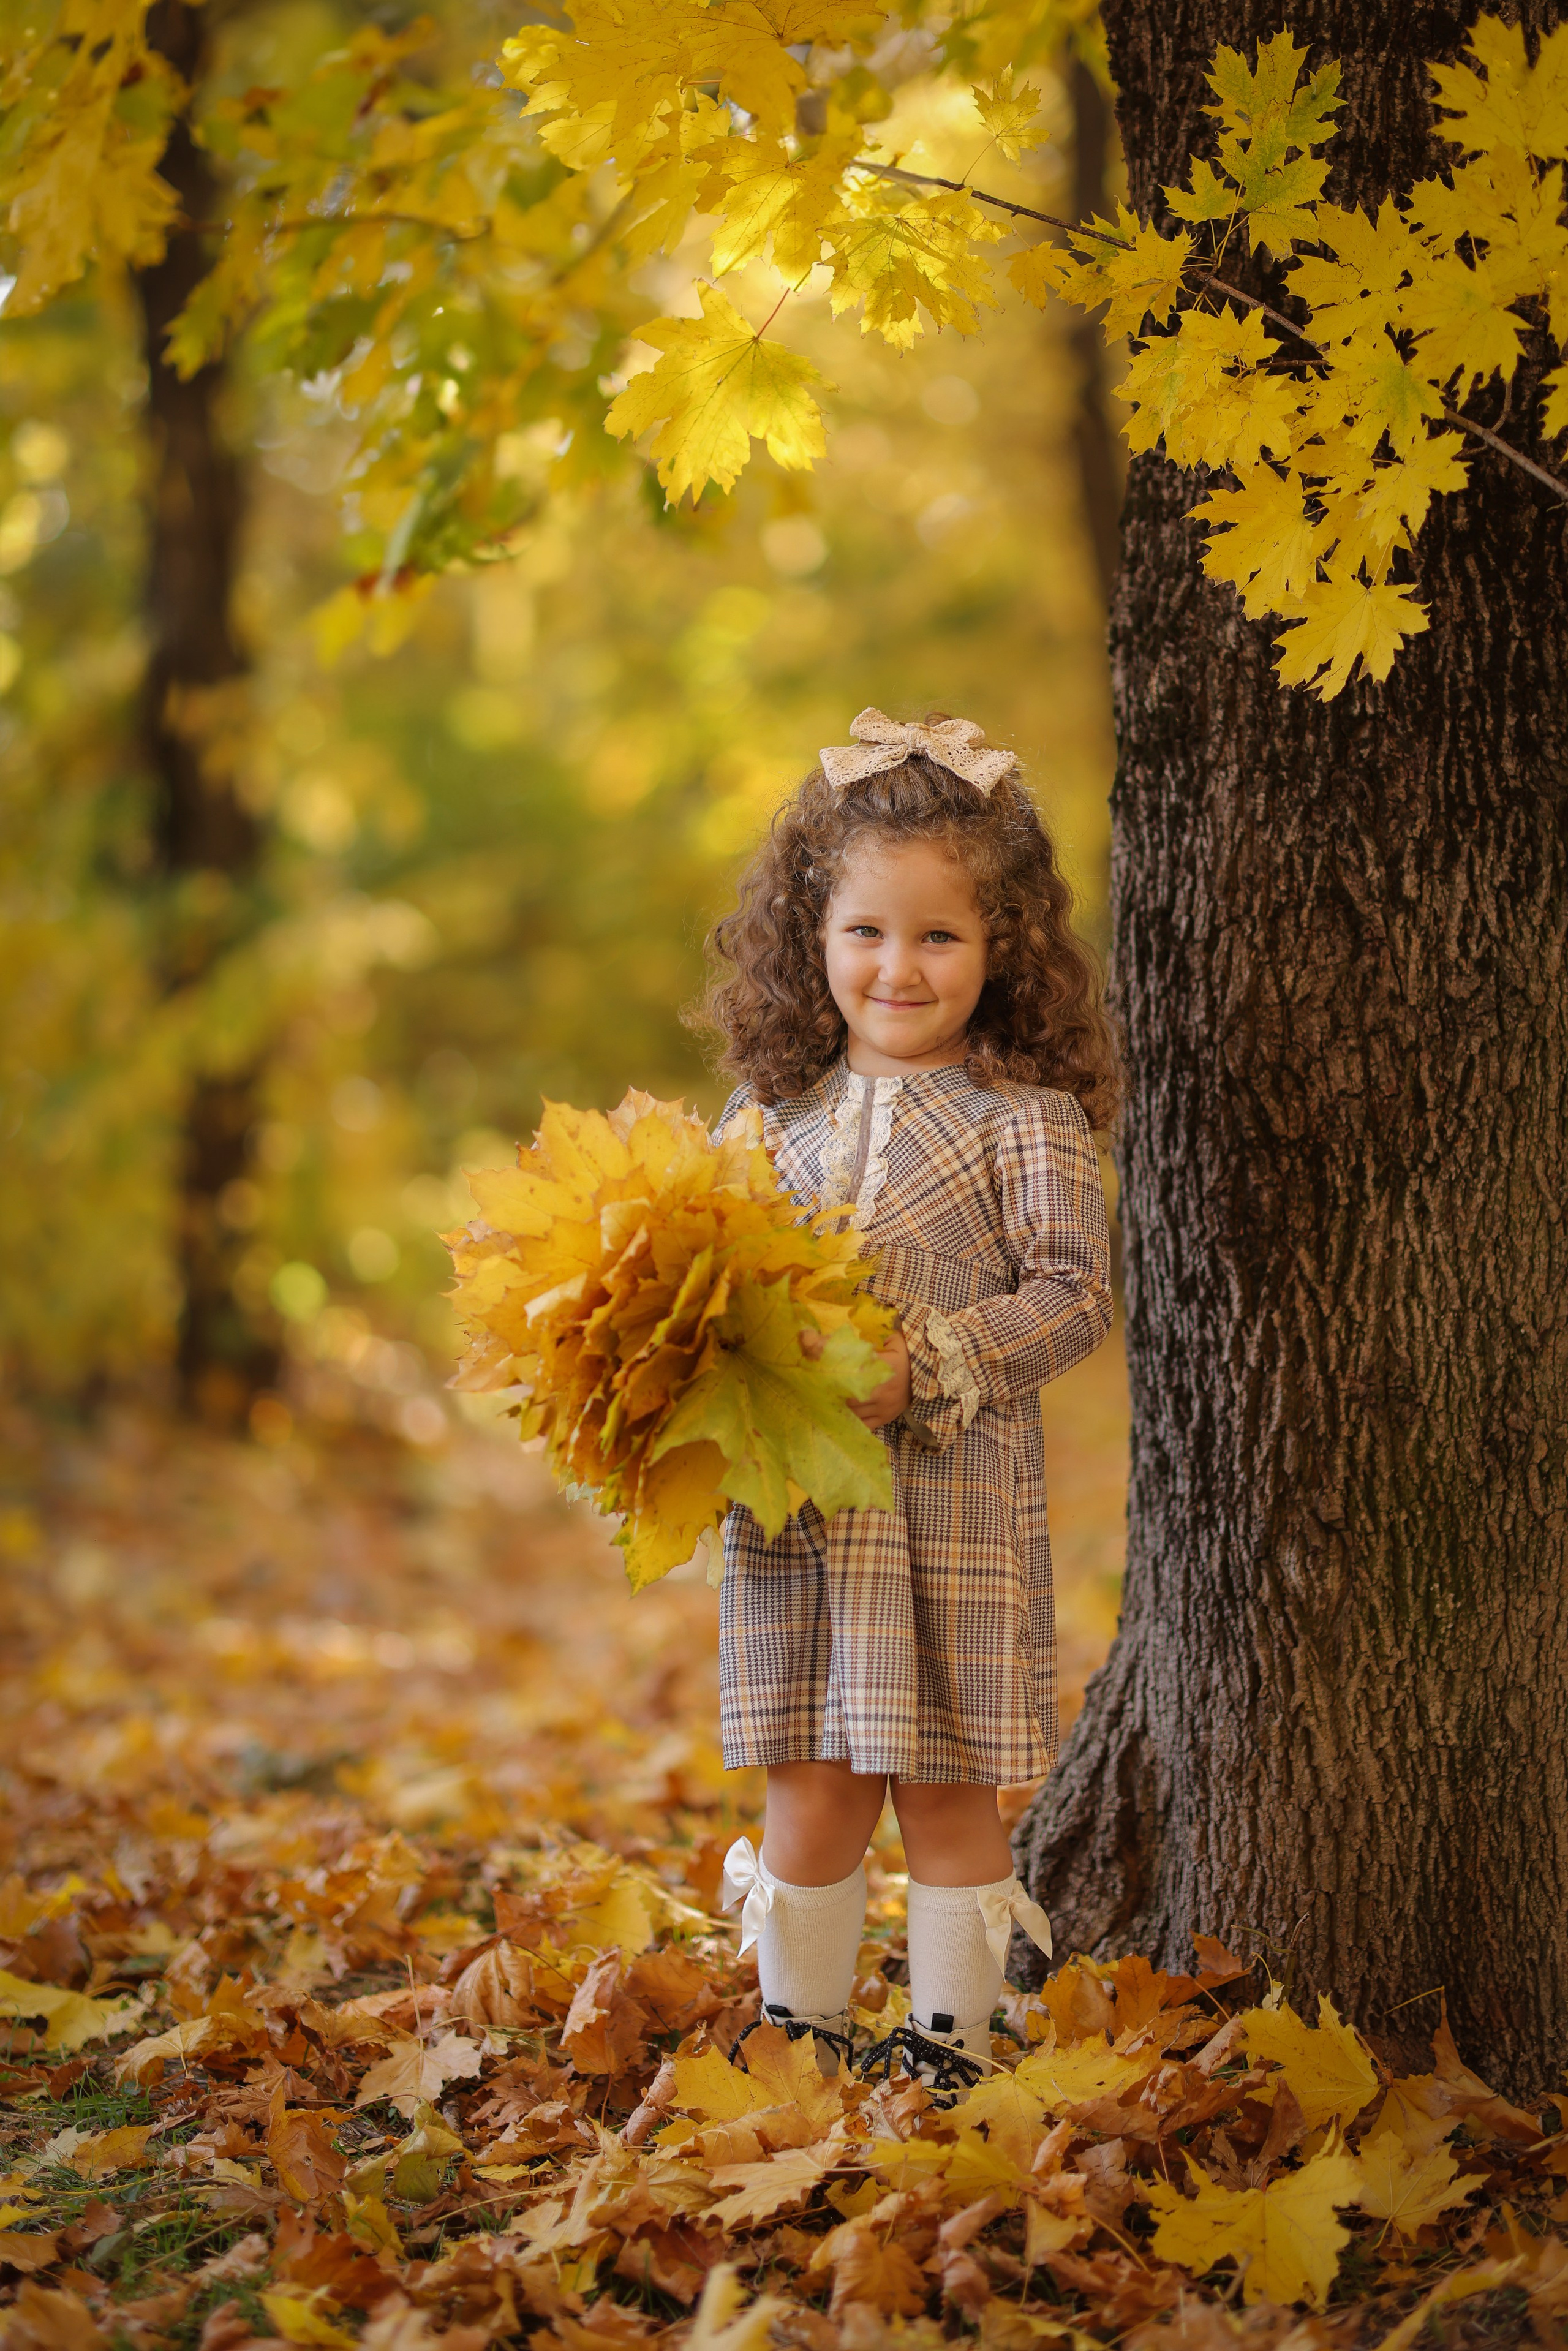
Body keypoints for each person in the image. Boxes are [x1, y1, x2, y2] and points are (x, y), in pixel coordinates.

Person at [697, 706, 1120, 2099]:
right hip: (800, 1521)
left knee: (946, 1785)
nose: (898, 966)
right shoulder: (766, 1121)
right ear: (811, 936)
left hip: (954, 1510)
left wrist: (929, 1359)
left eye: (939, 935)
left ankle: (953, 2050)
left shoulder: (1022, 1116)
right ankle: (798, 2042)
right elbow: (701, 1293)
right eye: (865, 931)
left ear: (1001, 945)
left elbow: (1074, 1292)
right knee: (812, 1781)